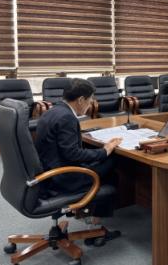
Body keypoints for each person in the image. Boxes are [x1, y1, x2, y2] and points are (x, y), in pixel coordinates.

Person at [35, 78, 122, 219]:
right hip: (63, 177)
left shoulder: (52, 111)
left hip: (49, 172)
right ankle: (95, 221)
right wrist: (105, 150)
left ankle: (82, 212)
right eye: (90, 99)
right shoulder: (67, 117)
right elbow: (73, 154)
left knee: (100, 161)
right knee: (112, 161)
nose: (91, 103)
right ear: (81, 100)